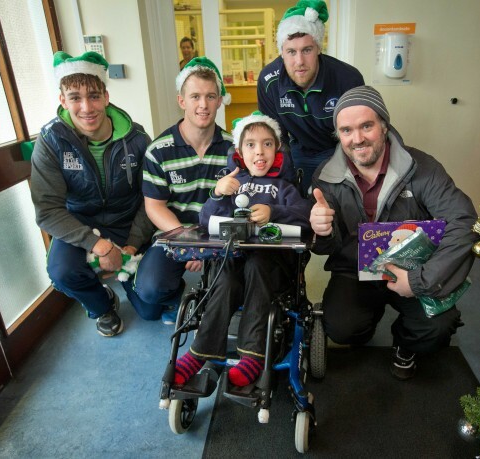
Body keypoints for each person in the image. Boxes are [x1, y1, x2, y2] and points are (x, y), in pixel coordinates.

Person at [309, 85, 480, 380]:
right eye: (346, 130)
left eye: (366, 126)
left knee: (439, 326)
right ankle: (367, 319)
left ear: (384, 126)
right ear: (338, 135)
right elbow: (326, 248)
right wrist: (322, 231)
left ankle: (405, 344)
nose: (357, 138)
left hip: (413, 268)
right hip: (355, 271)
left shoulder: (422, 168)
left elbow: (464, 221)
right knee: (342, 328)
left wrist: (418, 280)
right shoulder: (327, 176)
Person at [172, 112, 311, 387]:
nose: (259, 151)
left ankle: (252, 355)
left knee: (256, 265)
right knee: (222, 278)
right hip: (233, 260)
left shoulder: (284, 187)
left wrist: (274, 211)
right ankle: (200, 352)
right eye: (250, 145)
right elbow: (206, 222)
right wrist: (217, 194)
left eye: (267, 144)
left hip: (272, 265)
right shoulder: (232, 183)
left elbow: (305, 216)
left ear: (278, 150)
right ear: (239, 153)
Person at [30, 51, 155, 337]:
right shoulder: (51, 141)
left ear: (106, 97)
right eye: (75, 97)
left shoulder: (136, 139)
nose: (86, 107)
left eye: (94, 96)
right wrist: (98, 246)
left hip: (127, 224)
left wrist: (132, 246)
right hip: (79, 224)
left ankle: (132, 282)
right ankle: (102, 304)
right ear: (63, 100)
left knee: (151, 309)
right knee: (62, 272)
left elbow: (150, 199)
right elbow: (47, 210)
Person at [135, 57, 233, 325]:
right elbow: (155, 206)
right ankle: (177, 294)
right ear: (182, 101)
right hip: (174, 233)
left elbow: (239, 207)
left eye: (211, 96)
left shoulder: (234, 149)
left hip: (220, 235)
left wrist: (208, 247)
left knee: (239, 292)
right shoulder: (158, 150)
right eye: (195, 96)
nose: (203, 105)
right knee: (149, 289)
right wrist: (189, 244)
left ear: (220, 100)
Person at [257, 0, 364, 192]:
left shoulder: (347, 78)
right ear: (281, 52)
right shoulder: (268, 80)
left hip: (339, 151)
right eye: (291, 51)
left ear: (318, 49)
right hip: (298, 150)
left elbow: (358, 136)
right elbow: (275, 137)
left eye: (307, 50)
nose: (299, 61)